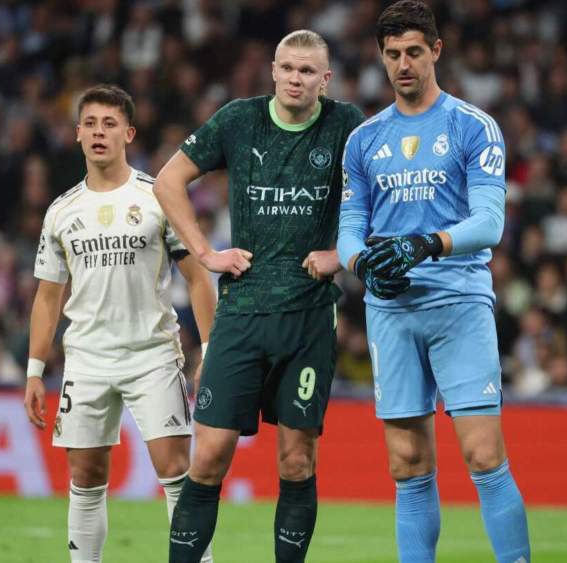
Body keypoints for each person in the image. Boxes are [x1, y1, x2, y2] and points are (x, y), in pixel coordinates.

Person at [152, 30, 365, 563]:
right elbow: (168, 180)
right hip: (241, 315)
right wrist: (205, 252)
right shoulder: (239, 120)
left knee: (297, 460)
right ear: (273, 70)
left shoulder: (347, 126)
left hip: (309, 318)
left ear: (325, 79)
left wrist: (341, 253)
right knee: (210, 457)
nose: (296, 78)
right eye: (288, 68)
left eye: (307, 70)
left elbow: (387, 192)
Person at [337, 2, 530, 562]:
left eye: (414, 52)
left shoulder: (473, 126)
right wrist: (360, 264)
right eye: (393, 54)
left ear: (436, 51)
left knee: (483, 456)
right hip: (391, 311)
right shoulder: (363, 141)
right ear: (381, 56)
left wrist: (429, 243)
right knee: (407, 465)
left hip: (459, 303)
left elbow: (489, 221)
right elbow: (351, 229)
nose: (403, 64)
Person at [22, 84, 216, 563]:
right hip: (85, 359)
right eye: (90, 124)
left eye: (109, 124)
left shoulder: (158, 198)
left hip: (151, 355)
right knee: (85, 478)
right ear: (77, 135)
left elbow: (198, 279)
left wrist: (209, 350)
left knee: (175, 471)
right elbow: (48, 297)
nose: (99, 133)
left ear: (128, 133)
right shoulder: (61, 212)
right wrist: (33, 369)